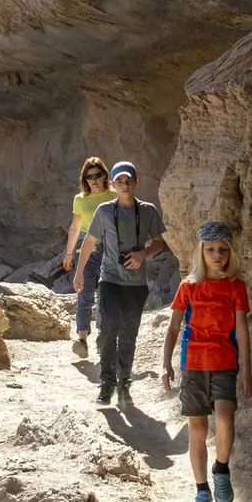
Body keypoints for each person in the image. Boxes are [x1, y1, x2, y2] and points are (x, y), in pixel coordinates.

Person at [161, 221, 252, 502]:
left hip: (225, 362)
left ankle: (221, 468)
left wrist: (247, 370)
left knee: (225, 419)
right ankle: (202, 490)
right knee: (197, 429)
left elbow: (241, 331)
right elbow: (174, 327)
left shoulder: (236, 287)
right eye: (211, 249)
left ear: (230, 253)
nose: (217, 256)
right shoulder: (188, 286)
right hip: (193, 365)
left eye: (223, 250)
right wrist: (165, 364)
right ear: (201, 251)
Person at [74, 161, 166, 408]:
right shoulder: (104, 211)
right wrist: (80, 272)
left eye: (129, 181)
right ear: (113, 185)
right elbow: (90, 240)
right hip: (110, 280)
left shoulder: (148, 211)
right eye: (119, 181)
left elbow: (158, 242)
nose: (124, 185)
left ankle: (124, 384)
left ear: (136, 182)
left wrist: (142, 255)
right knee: (108, 332)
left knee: (128, 336)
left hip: (136, 284)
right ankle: (107, 383)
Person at [61, 157, 114, 359]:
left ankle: (102, 335)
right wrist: (68, 253)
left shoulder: (114, 195)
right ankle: (82, 340)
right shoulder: (80, 199)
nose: (93, 180)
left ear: (104, 175)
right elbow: (75, 227)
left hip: (110, 247)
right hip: (86, 247)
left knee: (106, 294)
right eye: (89, 176)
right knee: (84, 294)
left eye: (97, 175)